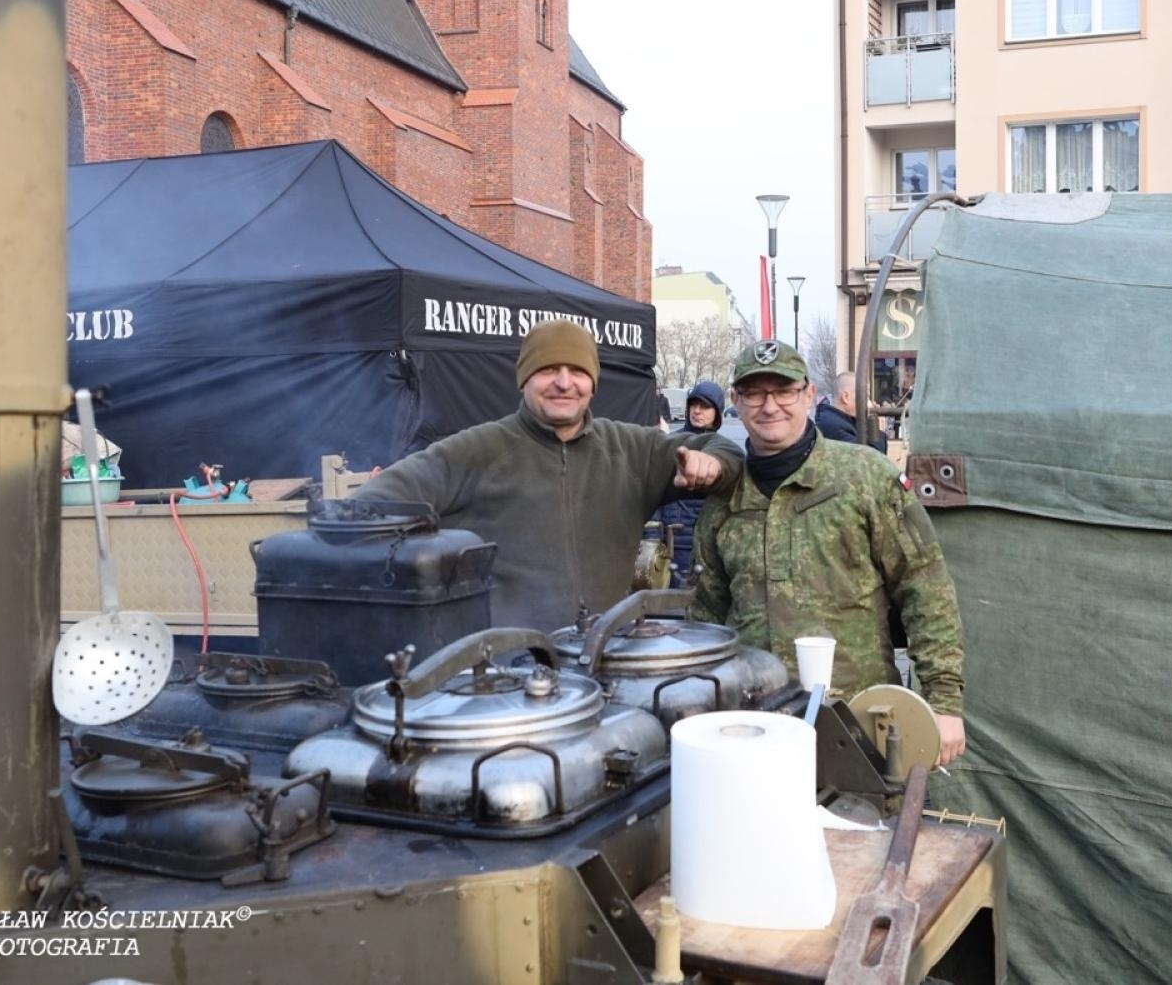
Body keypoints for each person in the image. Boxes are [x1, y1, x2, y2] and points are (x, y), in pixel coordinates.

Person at [357, 320, 742, 631]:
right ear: (524, 379)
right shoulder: (475, 451)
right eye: (547, 370)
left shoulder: (630, 450)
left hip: (604, 660)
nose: (563, 382)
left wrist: (713, 465)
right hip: (504, 672)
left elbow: (724, 451)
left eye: (577, 371)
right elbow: (368, 507)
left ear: (592, 383)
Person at [689, 340, 967, 764]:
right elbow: (707, 617)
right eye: (755, 393)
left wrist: (944, 702)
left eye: (783, 391)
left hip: (859, 725)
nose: (770, 406)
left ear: (808, 394)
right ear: (736, 403)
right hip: (754, 730)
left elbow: (924, 589)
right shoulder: (724, 502)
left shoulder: (864, 478)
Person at [653, 381, 729, 585]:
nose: (697, 411)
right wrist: (652, 536)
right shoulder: (671, 443)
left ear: (717, 413)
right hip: (674, 538)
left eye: (705, 406)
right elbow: (655, 490)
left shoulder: (723, 450)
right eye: (694, 405)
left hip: (709, 542)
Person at [814, 371, 888, 453]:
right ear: (846, 397)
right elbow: (870, 460)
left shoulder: (843, 421)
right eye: (865, 397)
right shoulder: (833, 426)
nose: (869, 403)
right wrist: (875, 430)